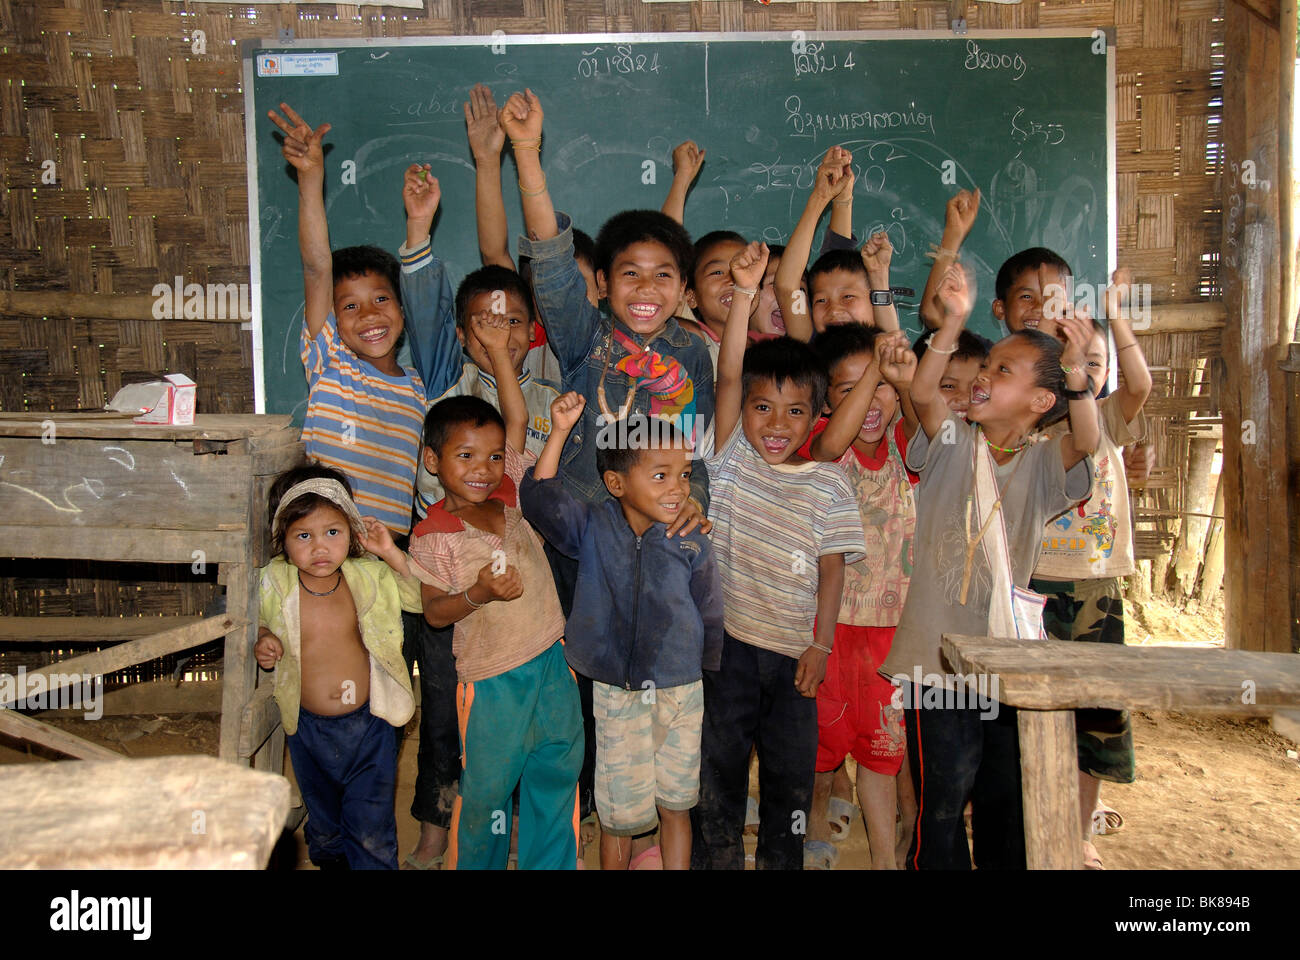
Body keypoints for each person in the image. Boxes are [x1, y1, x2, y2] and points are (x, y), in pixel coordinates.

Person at [502, 87, 715, 840]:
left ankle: (659, 828)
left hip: (663, 559)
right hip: (584, 551)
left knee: (667, 699)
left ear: (685, 291)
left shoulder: (692, 352)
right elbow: (552, 263)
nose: (647, 289)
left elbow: (697, 445)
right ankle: (602, 821)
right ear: (605, 285)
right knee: (592, 693)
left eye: (664, 276)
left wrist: (699, 506)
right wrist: (527, 155)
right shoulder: (584, 340)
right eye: (629, 273)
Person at [881, 260, 1099, 870]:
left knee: (1007, 796)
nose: (981, 379)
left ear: (1039, 400)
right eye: (983, 367)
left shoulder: (1042, 463)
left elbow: (1088, 440)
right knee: (942, 802)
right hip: (937, 662)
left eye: (1001, 371)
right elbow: (922, 394)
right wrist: (950, 323)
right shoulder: (951, 442)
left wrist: (1081, 379)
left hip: (1007, 664)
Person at [691, 241, 867, 870]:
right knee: (721, 773)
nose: (775, 422)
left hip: (796, 658)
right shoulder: (731, 458)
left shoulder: (826, 481)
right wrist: (744, 292)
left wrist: (820, 646)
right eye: (763, 409)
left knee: (790, 783)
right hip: (729, 648)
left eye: (795, 411)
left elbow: (832, 567)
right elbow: (731, 374)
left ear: (818, 415)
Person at [406, 315, 583, 869]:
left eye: (492, 456)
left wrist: (508, 366)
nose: (483, 469)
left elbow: (516, 419)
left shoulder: (511, 492)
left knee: (556, 771)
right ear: (433, 462)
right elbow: (435, 614)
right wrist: (479, 592)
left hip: (552, 661)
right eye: (465, 457)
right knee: (484, 793)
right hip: (490, 682)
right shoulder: (431, 534)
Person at [521, 397, 724, 870]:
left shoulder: (691, 537)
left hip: (681, 693)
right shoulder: (591, 526)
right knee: (619, 816)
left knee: (677, 805)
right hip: (617, 694)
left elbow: (710, 611)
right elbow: (538, 499)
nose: (677, 488)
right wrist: (559, 430)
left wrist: (707, 674)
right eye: (660, 475)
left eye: (684, 474)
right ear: (615, 483)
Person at [1030, 269, 1153, 870]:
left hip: (1097, 588)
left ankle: (1079, 831)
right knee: (1037, 714)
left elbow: (1142, 384)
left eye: (1096, 361)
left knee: (1095, 719)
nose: (1084, 367)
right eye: (1070, 360)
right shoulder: (1029, 430)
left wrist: (1117, 316)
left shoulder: (1110, 423)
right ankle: (1034, 822)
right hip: (1034, 590)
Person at [267, 103, 436, 537]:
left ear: (402, 307)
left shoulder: (420, 389)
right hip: (326, 547)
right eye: (350, 307)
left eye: (381, 298)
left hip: (390, 550)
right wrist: (310, 178)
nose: (370, 315)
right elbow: (316, 267)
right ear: (334, 323)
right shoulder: (330, 364)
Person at [798, 318, 921, 870]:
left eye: (882, 388)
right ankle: (812, 824)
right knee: (822, 749)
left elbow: (923, 431)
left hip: (891, 637)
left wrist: (902, 379)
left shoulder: (902, 446)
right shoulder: (824, 447)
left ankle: (883, 860)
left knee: (883, 754)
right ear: (827, 400)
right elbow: (831, 442)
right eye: (849, 389)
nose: (871, 399)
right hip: (828, 630)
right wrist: (877, 370)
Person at [255, 465, 422, 870]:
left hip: (370, 724)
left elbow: (419, 599)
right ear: (283, 541)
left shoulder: (369, 574)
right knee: (326, 822)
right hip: (307, 727)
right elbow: (254, 618)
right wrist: (264, 637)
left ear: (352, 531)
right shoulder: (274, 582)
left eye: (333, 532)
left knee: (370, 824)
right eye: (303, 536)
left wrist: (390, 552)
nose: (320, 548)